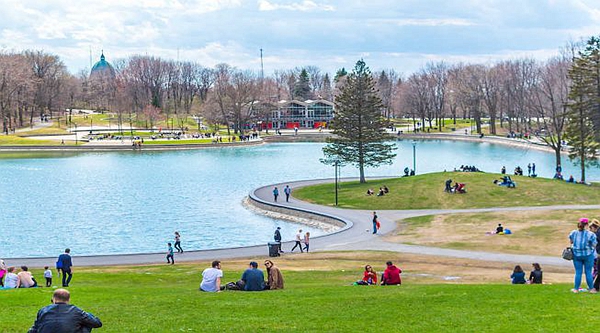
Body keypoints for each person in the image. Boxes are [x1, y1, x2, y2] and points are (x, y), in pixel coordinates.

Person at [28, 288, 102, 333]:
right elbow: (97, 323)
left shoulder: (43, 310)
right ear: (68, 299)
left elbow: (35, 327)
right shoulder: (76, 311)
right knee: (88, 320)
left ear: (53, 299)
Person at [569, 218, 597, 293]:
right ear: (587, 225)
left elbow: (571, 242)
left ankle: (576, 289)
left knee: (578, 272)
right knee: (588, 272)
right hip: (588, 255)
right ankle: (591, 289)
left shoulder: (573, 233)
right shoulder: (591, 234)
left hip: (576, 255)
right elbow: (594, 244)